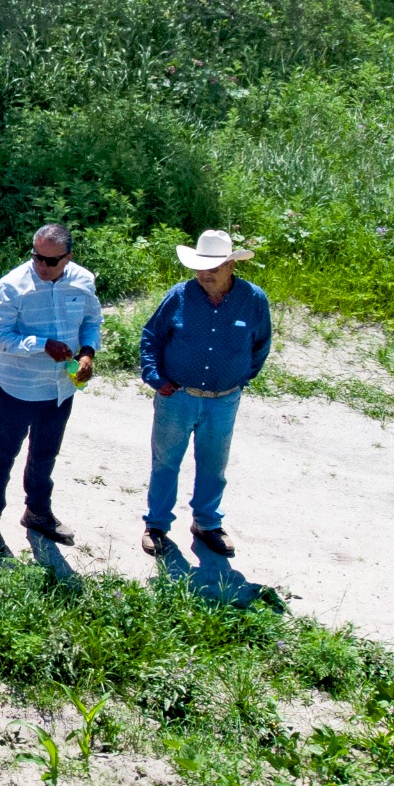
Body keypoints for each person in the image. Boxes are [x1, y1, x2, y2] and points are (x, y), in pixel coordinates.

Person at [138, 229, 273, 560]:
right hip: (177, 395)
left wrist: (240, 378)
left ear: (231, 266)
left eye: (213, 267)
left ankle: (207, 524)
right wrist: (156, 378)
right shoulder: (179, 295)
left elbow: (261, 345)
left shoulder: (254, 300)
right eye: (200, 266)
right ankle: (156, 526)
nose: (205, 274)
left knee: (214, 464)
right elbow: (151, 337)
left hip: (224, 399)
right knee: (166, 462)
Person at [0, 223, 101, 557]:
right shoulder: (12, 286)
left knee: (45, 453)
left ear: (68, 257)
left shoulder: (83, 280)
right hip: (17, 387)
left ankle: (37, 512)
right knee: (2, 455)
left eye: (50, 261)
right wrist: (41, 345)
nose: (41, 266)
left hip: (60, 388)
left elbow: (91, 320)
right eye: (36, 257)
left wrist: (87, 352)